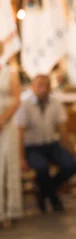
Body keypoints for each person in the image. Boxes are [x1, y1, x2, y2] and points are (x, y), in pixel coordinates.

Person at [13, 74, 76, 213]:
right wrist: (21, 158)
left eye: (46, 85)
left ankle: (44, 192)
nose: (43, 89)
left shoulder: (55, 102)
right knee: (41, 168)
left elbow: (62, 129)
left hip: (51, 144)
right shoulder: (25, 104)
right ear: (33, 87)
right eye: (39, 85)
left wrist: (69, 149)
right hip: (32, 147)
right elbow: (20, 133)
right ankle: (54, 199)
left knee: (71, 164)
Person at [0, 62, 23, 228]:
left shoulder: (10, 71)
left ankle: (10, 211)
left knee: (8, 164)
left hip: (7, 123)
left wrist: (3, 119)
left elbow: (17, 99)